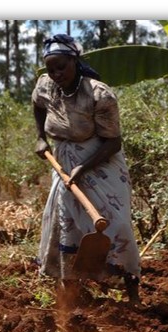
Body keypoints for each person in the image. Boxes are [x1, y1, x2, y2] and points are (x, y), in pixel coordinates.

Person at [32, 34, 141, 305]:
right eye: (51, 68)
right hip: (65, 163)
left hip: (101, 160)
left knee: (117, 226)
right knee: (67, 224)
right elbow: (37, 105)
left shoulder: (98, 94)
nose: (56, 74)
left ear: (75, 62)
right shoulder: (45, 86)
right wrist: (40, 137)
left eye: (62, 67)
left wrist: (83, 167)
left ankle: (131, 290)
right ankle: (70, 291)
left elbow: (113, 142)